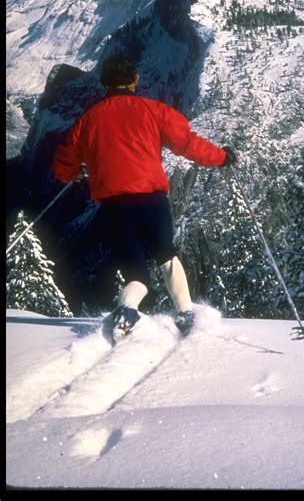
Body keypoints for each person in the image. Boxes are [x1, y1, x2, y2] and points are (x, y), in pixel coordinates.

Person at [52, 55, 237, 338]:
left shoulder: (88, 120)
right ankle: (186, 314)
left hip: (114, 204)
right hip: (151, 198)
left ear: (105, 83)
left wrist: (75, 173)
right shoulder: (153, 110)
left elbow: (62, 162)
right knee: (166, 254)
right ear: (134, 80)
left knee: (135, 269)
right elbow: (188, 144)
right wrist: (222, 157)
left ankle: (126, 313)